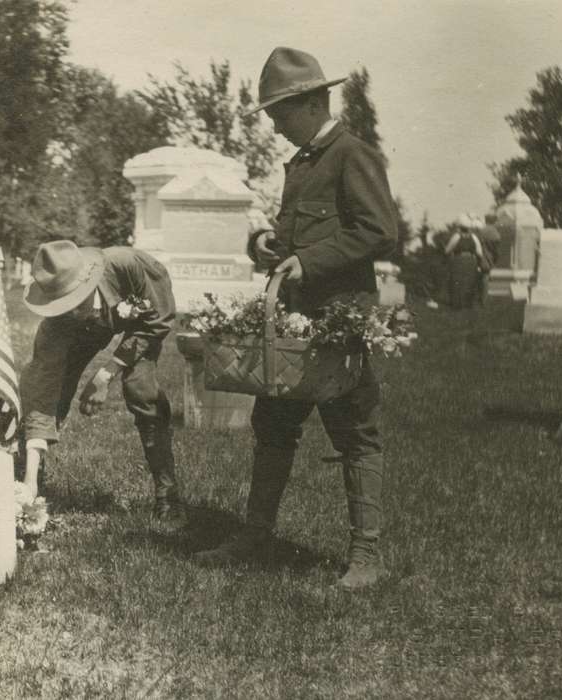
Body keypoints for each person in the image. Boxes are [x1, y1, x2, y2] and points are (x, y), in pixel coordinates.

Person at [192, 47, 398, 590]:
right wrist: (265, 244)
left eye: (279, 114)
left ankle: (366, 557)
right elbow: (296, 235)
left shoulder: (353, 155)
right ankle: (257, 535)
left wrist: (309, 261)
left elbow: (379, 231)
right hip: (292, 321)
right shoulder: (304, 162)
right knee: (274, 425)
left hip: (339, 319)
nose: (275, 126)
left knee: (354, 432)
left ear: (310, 103)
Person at [18, 240, 182, 523]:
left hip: (143, 324)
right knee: (48, 389)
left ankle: (167, 494)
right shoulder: (57, 325)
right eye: (59, 305)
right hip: (90, 330)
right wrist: (29, 479)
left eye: (72, 301)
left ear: (88, 282)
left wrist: (106, 373)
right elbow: (42, 393)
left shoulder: (128, 266)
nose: (67, 311)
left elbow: (159, 320)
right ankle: (28, 479)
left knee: (139, 388)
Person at [444, 214, 488, 309]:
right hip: (471, 261)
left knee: (457, 282)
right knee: (470, 282)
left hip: (458, 260)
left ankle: (456, 304)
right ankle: (468, 304)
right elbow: (479, 253)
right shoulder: (474, 238)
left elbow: (447, 250)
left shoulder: (456, 236)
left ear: (460, 227)